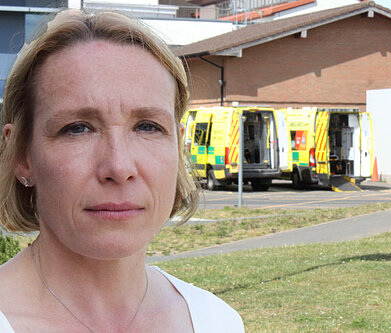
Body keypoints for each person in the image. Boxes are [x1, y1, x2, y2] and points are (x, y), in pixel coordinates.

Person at [0, 9, 244, 332]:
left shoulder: (217, 321)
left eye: (147, 127)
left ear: (179, 146)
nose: (119, 167)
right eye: (78, 129)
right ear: (21, 155)